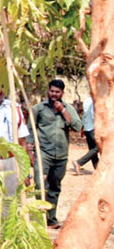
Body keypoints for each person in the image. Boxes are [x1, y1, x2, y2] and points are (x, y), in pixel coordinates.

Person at [27, 79, 82, 229]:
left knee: (55, 186)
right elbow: (30, 129)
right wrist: (30, 151)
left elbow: (77, 127)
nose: (54, 94)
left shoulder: (68, 108)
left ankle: (51, 219)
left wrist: (63, 110)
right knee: (40, 184)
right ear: (48, 91)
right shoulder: (39, 108)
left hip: (62, 155)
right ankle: (39, 218)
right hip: (43, 152)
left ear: (62, 93)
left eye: (57, 92)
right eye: (52, 91)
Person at [73, 96, 97, 175]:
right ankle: (79, 162)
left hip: (87, 128)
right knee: (97, 148)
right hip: (94, 127)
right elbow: (93, 115)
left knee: (92, 149)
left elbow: (85, 115)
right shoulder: (95, 100)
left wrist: (83, 127)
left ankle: (97, 169)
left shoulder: (87, 100)